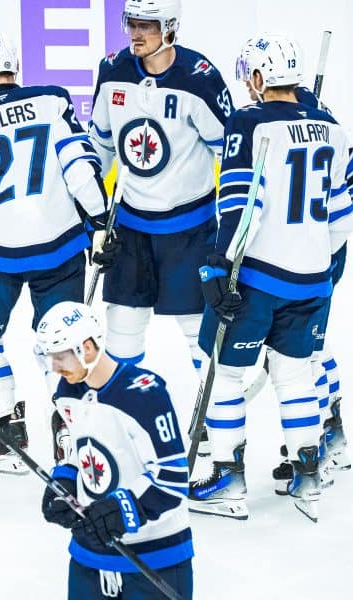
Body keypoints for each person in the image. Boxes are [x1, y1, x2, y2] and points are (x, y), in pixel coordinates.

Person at [186, 33, 353, 522]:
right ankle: (308, 476)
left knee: (224, 372)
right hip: (313, 281)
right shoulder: (331, 128)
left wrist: (218, 264)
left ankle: (227, 479)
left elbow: (243, 204)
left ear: (261, 77)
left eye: (250, 76)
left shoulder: (249, 121)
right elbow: (344, 217)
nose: (247, 84)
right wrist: (316, 260)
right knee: (296, 373)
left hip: (257, 280)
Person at [0, 32, 111, 474]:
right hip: (61, 244)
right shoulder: (51, 100)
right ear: (15, 64)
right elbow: (80, 168)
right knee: (61, 337)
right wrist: (100, 221)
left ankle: (6, 432)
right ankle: (69, 427)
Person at [225, 36, 353, 485]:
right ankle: (326, 437)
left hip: (306, 249)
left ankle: (325, 437)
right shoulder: (317, 115)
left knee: (305, 353)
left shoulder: (296, 116)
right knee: (306, 350)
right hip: (317, 247)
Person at [87, 0, 234, 374]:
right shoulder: (113, 71)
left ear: (169, 28)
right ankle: (124, 401)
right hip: (130, 226)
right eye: (132, 23)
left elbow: (232, 155)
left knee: (197, 327)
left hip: (190, 229)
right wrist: (93, 215)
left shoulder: (199, 78)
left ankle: (218, 406)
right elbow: (100, 146)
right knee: (122, 324)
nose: (136, 34)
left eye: (147, 26)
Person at [36, 301, 193, 599]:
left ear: (87, 348)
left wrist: (121, 509)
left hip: (155, 557)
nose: (54, 366)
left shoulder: (146, 395)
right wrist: (65, 480)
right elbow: (80, 451)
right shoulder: (68, 391)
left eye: (60, 356)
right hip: (89, 557)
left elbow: (173, 480)